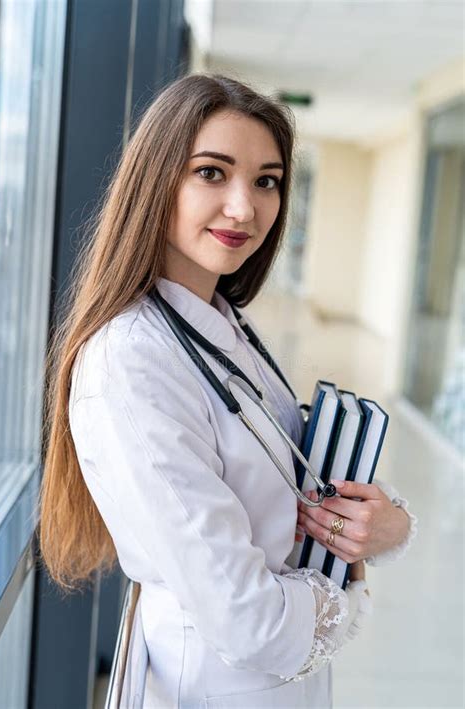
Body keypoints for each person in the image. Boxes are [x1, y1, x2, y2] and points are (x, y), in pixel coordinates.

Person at [39, 73, 417, 707]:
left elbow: (285, 483)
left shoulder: (223, 327)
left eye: (266, 180)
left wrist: (382, 526)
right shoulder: (131, 362)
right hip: (214, 684)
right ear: (155, 181)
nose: (246, 208)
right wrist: (344, 597)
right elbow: (252, 623)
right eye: (212, 173)